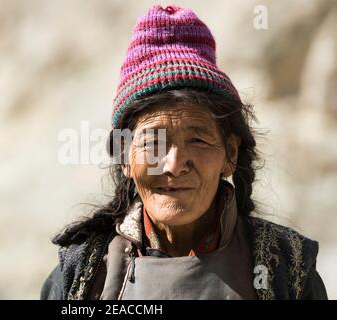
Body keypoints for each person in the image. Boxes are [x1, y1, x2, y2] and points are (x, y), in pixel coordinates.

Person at [41, 4, 328, 300]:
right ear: (125, 156)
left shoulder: (286, 269)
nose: (174, 165)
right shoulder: (81, 275)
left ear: (230, 154)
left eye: (198, 140)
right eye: (154, 142)